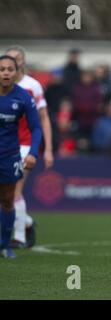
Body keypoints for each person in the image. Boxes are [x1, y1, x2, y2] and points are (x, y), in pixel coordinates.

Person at [5, 46, 54, 248]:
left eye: (16, 59)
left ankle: (19, 238)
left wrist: (48, 149)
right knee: (5, 194)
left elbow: (42, 119)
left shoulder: (31, 86)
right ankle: (26, 221)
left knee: (15, 191)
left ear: (22, 62)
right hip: (5, 146)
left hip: (24, 146)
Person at [0, 55, 42, 258]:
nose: (6, 72)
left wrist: (33, 152)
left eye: (10, 69)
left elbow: (36, 127)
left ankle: (6, 245)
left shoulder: (23, 96)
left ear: (16, 73)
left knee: (8, 200)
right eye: (2, 69)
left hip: (9, 156)